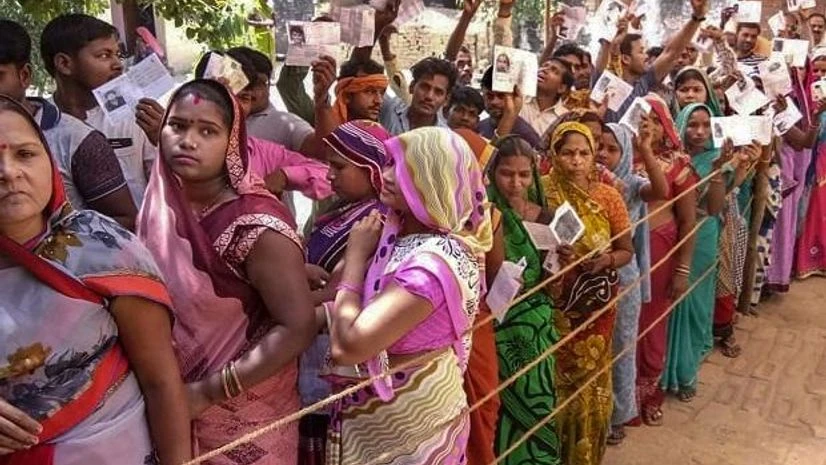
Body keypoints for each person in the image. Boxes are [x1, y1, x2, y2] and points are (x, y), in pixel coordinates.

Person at [0, 95, 190, 465]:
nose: (8, 171)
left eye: (25, 154)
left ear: (50, 162)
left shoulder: (101, 247)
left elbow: (161, 381)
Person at [137, 80, 317, 463]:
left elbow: (298, 327)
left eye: (207, 131)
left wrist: (206, 393)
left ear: (232, 143)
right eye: (178, 125)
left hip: (244, 413)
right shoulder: (161, 204)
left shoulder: (256, 225)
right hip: (166, 401)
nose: (188, 140)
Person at [321, 127, 491, 464]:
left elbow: (349, 346)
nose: (385, 176)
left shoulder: (431, 265)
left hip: (410, 425)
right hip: (386, 416)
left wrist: (355, 258)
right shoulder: (401, 236)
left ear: (433, 175)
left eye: (401, 167)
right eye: (387, 164)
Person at [541, 122, 634, 465]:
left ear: (594, 155)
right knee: (550, 382)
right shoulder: (543, 192)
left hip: (595, 307)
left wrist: (604, 260)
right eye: (567, 153)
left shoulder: (607, 196)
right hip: (552, 306)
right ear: (554, 154)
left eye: (583, 153)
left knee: (589, 386)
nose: (575, 161)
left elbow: (627, 250)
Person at [301, 120, 391, 462]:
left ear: (372, 170)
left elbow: (336, 294)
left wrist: (276, 301)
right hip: (316, 339)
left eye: (339, 166)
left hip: (332, 346)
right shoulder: (343, 210)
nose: (328, 175)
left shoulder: (373, 223)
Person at [0, 19, 137, 229]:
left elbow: (124, 221)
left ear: (24, 75)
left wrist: (59, 251)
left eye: (25, 154)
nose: (8, 172)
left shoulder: (77, 139)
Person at [486, 136, 561, 465]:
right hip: (500, 329)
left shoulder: (547, 217)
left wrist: (563, 262)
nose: (515, 183)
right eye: (506, 174)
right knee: (501, 408)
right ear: (492, 175)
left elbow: (554, 287)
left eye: (523, 175)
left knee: (539, 400)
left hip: (539, 326)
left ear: (534, 174)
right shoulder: (486, 217)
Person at [41, 14, 163, 209]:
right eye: (104, 55)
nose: (118, 64)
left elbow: (166, 187)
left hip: (135, 235)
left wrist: (162, 140)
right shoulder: (38, 124)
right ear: (64, 64)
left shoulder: (138, 116)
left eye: (118, 54)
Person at [600, 121, 668, 444]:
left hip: (623, 276)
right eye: (599, 147)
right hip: (591, 274)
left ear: (625, 153)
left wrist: (646, 150)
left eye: (612, 149)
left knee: (621, 347)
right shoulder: (586, 181)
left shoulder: (631, 183)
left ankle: (618, 415)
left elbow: (661, 191)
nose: (603, 155)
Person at [632, 94, 698, 426]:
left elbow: (688, 221)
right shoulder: (615, 156)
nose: (648, 125)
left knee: (651, 323)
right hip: (622, 256)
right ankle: (620, 401)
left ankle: (648, 394)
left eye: (656, 119)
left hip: (659, 253)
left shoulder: (678, 163)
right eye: (642, 117)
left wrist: (682, 269)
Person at [664, 103, 730, 402]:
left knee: (693, 308)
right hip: (670, 236)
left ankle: (686, 372)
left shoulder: (716, 158)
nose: (700, 131)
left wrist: (716, 170)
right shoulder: (668, 159)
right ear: (679, 125)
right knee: (666, 306)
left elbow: (714, 208)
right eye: (692, 125)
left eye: (705, 125)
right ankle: (660, 374)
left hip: (701, 236)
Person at [454, 128, 501, 465]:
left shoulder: (489, 215)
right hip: (439, 334)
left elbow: (496, 276)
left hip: (476, 327)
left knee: (481, 406)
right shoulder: (418, 213)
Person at [602, 0, 709, 123]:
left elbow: (671, 53)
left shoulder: (643, 83)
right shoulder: (605, 84)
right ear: (626, 59)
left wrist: (696, 18)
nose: (646, 56)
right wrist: (613, 43)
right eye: (641, 52)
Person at [379, 57, 455, 135]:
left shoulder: (446, 138)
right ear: (411, 87)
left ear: (446, 99)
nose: (429, 96)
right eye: (424, 87)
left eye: (438, 92)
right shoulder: (389, 109)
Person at [478, 66, 541, 146]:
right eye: (489, 96)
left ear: (515, 97)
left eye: (501, 96)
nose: (495, 102)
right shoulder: (478, 127)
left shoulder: (527, 136)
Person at [332, 58, 389, 125]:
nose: (379, 101)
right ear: (347, 96)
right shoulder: (326, 131)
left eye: (382, 93)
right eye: (369, 91)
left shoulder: (381, 132)